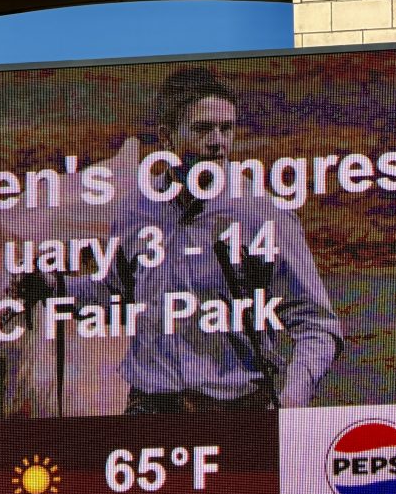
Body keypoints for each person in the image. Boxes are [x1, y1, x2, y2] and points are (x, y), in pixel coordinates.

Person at [24, 66, 343, 414]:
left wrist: (292, 399)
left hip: (233, 409)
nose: (218, 141)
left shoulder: (263, 214)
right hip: (149, 408)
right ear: (167, 138)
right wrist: (56, 287)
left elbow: (317, 323)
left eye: (227, 128)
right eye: (203, 129)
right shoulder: (137, 208)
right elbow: (117, 295)